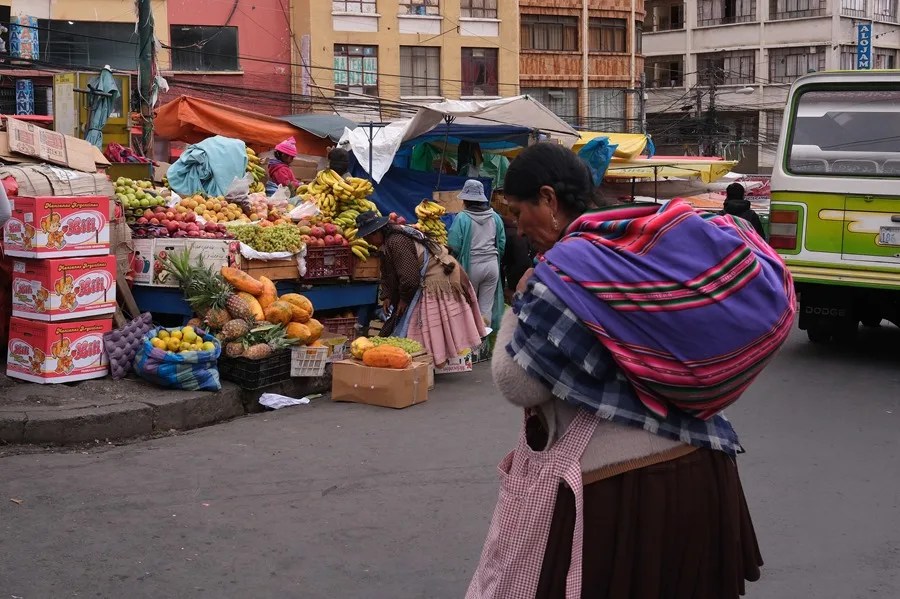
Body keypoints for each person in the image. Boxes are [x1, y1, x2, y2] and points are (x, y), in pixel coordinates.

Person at [466, 143, 796, 599]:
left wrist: (519, 300)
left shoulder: (564, 271)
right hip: (704, 472)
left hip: (625, 487)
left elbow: (518, 383)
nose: (519, 227)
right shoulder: (636, 241)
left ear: (547, 199)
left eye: (520, 211)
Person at [355, 211, 486, 366]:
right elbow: (389, 271)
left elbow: (410, 278)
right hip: (431, 275)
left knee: (422, 321)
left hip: (439, 277)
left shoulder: (397, 241)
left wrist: (403, 299)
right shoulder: (390, 240)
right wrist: (387, 295)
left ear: (377, 232)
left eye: (368, 237)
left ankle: (431, 361)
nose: (368, 241)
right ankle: (428, 361)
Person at [447, 180, 506, 331]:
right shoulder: (495, 217)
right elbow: (501, 243)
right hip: (492, 266)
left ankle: (468, 343)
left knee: (467, 306)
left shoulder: (462, 218)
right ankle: (482, 346)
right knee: (485, 308)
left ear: (466, 200)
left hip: (471, 266)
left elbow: (454, 245)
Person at [499, 212, 534, 305]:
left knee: (516, 297)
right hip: (526, 266)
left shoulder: (507, 233)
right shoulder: (516, 231)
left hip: (518, 269)